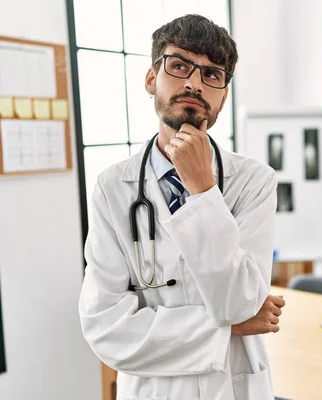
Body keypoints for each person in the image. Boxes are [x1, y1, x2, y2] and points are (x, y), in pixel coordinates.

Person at [78, 14, 284, 400]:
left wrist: (203, 189)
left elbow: (239, 301)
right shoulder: (112, 188)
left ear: (223, 94)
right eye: (178, 66)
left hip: (235, 386)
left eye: (212, 74)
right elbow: (106, 329)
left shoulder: (254, 182)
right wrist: (227, 327)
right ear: (151, 79)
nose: (193, 82)